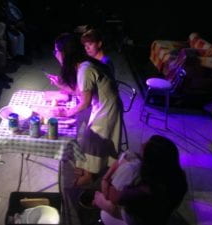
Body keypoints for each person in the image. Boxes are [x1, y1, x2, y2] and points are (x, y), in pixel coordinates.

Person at [47, 33, 122, 186]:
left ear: (65, 53)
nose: (55, 54)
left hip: (107, 108)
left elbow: (85, 102)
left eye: (56, 51)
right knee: (89, 138)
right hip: (103, 105)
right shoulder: (84, 64)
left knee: (92, 138)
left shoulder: (85, 69)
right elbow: (82, 92)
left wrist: (66, 113)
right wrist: (62, 86)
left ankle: (90, 175)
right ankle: (88, 169)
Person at [93, 135, 188, 225]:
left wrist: (105, 183)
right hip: (162, 216)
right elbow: (123, 158)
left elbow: (112, 196)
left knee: (102, 206)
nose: (142, 143)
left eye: (144, 148)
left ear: (149, 164)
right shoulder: (179, 177)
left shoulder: (142, 190)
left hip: (142, 220)